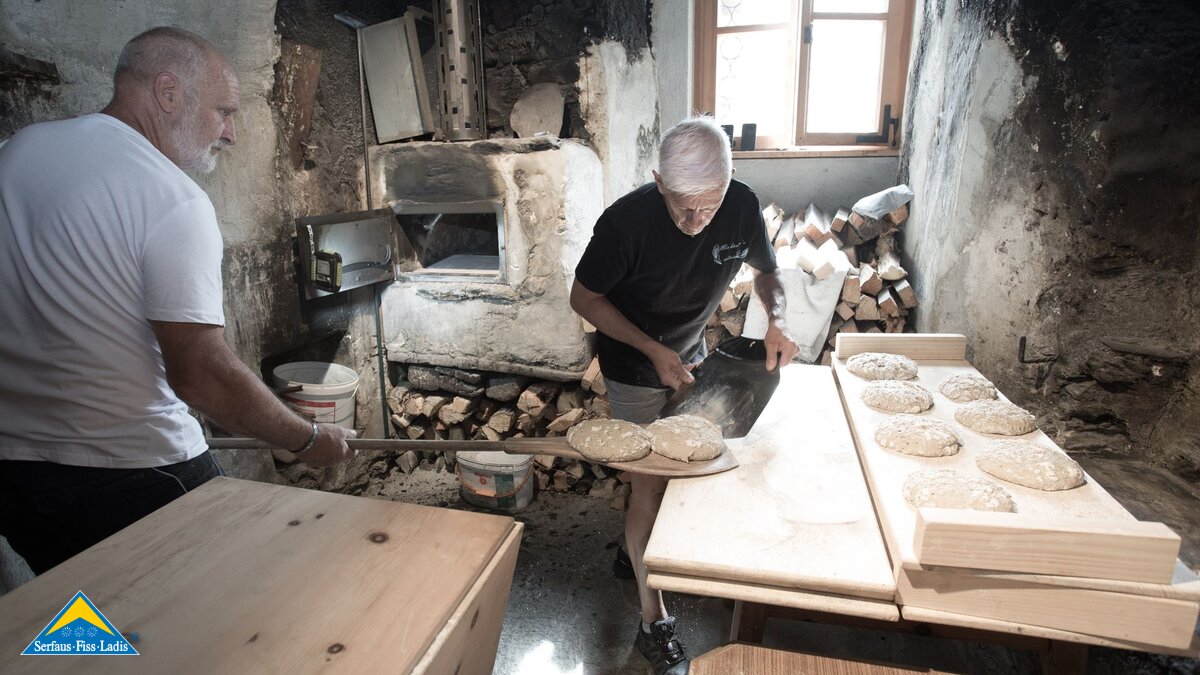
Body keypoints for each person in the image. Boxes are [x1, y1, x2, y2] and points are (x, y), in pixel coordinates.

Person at [0, 27, 356, 576]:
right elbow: (201, 376)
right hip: (133, 471)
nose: (231, 133)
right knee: (222, 615)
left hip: (18, 475)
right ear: (168, 92)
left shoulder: (16, 153)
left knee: (94, 629)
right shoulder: (171, 197)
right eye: (224, 112)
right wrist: (308, 438)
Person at [570, 116, 799, 675]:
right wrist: (651, 350)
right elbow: (583, 297)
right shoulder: (625, 224)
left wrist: (778, 319)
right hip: (633, 357)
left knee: (695, 467)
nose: (696, 221)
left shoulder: (740, 205)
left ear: (730, 181)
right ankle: (654, 622)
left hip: (691, 351)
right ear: (658, 182)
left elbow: (768, 273)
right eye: (682, 207)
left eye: (708, 206)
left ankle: (636, 554)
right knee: (650, 484)